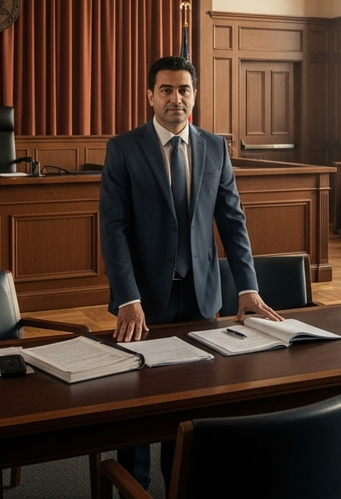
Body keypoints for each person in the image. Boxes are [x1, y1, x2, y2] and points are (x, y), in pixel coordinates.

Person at [100, 55, 283, 489]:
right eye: (166, 89)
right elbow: (114, 230)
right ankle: (136, 488)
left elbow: (232, 222)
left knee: (194, 406)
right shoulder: (123, 148)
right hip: (143, 303)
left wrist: (247, 288)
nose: (175, 98)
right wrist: (127, 298)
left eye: (184, 90)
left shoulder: (215, 147)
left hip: (202, 297)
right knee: (141, 406)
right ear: (149, 96)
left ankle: (183, 484)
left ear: (194, 96)